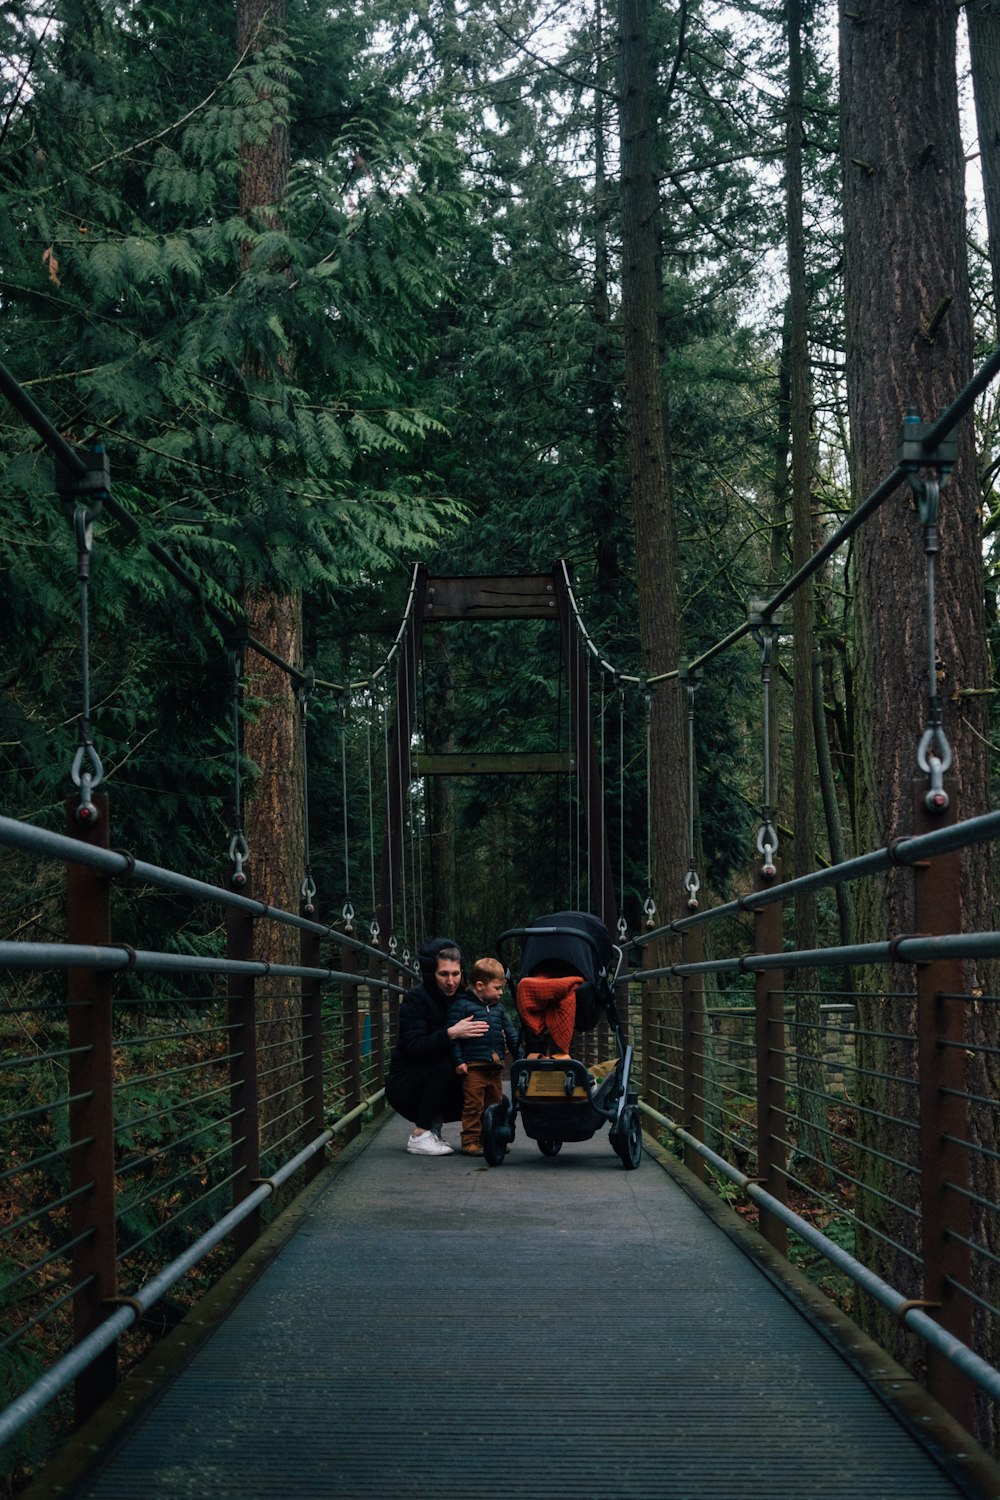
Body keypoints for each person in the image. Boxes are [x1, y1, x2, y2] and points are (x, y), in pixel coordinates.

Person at [385, 938, 489, 1156]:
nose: (451, 981)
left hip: (445, 1079)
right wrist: (452, 1033)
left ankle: (480, 1136)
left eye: (456, 973)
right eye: (444, 974)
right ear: (431, 973)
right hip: (407, 1084)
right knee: (443, 1064)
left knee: (491, 1094)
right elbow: (415, 1048)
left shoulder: (465, 999)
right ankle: (420, 1134)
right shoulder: (416, 1000)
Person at [448, 956, 519, 1155]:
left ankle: (492, 1139)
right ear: (480, 985)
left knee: (495, 1105)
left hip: (494, 1067)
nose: (500, 993)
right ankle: (470, 1141)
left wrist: (520, 1056)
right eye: (497, 988)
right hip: (473, 1068)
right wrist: (459, 1061)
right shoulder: (462, 1006)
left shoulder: (499, 1009)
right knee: (473, 1105)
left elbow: (511, 1033)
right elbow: (453, 1038)